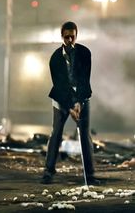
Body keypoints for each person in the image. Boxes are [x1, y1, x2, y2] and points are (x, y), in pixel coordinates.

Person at [41, 21, 99, 185]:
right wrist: (70, 107)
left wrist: (79, 103)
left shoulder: (84, 53)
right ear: (62, 37)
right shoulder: (55, 59)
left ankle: (90, 174)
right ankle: (48, 171)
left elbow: (84, 79)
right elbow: (60, 85)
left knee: (85, 135)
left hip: (82, 97)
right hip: (62, 98)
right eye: (66, 37)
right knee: (56, 133)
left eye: (72, 37)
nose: (69, 40)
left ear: (76, 35)